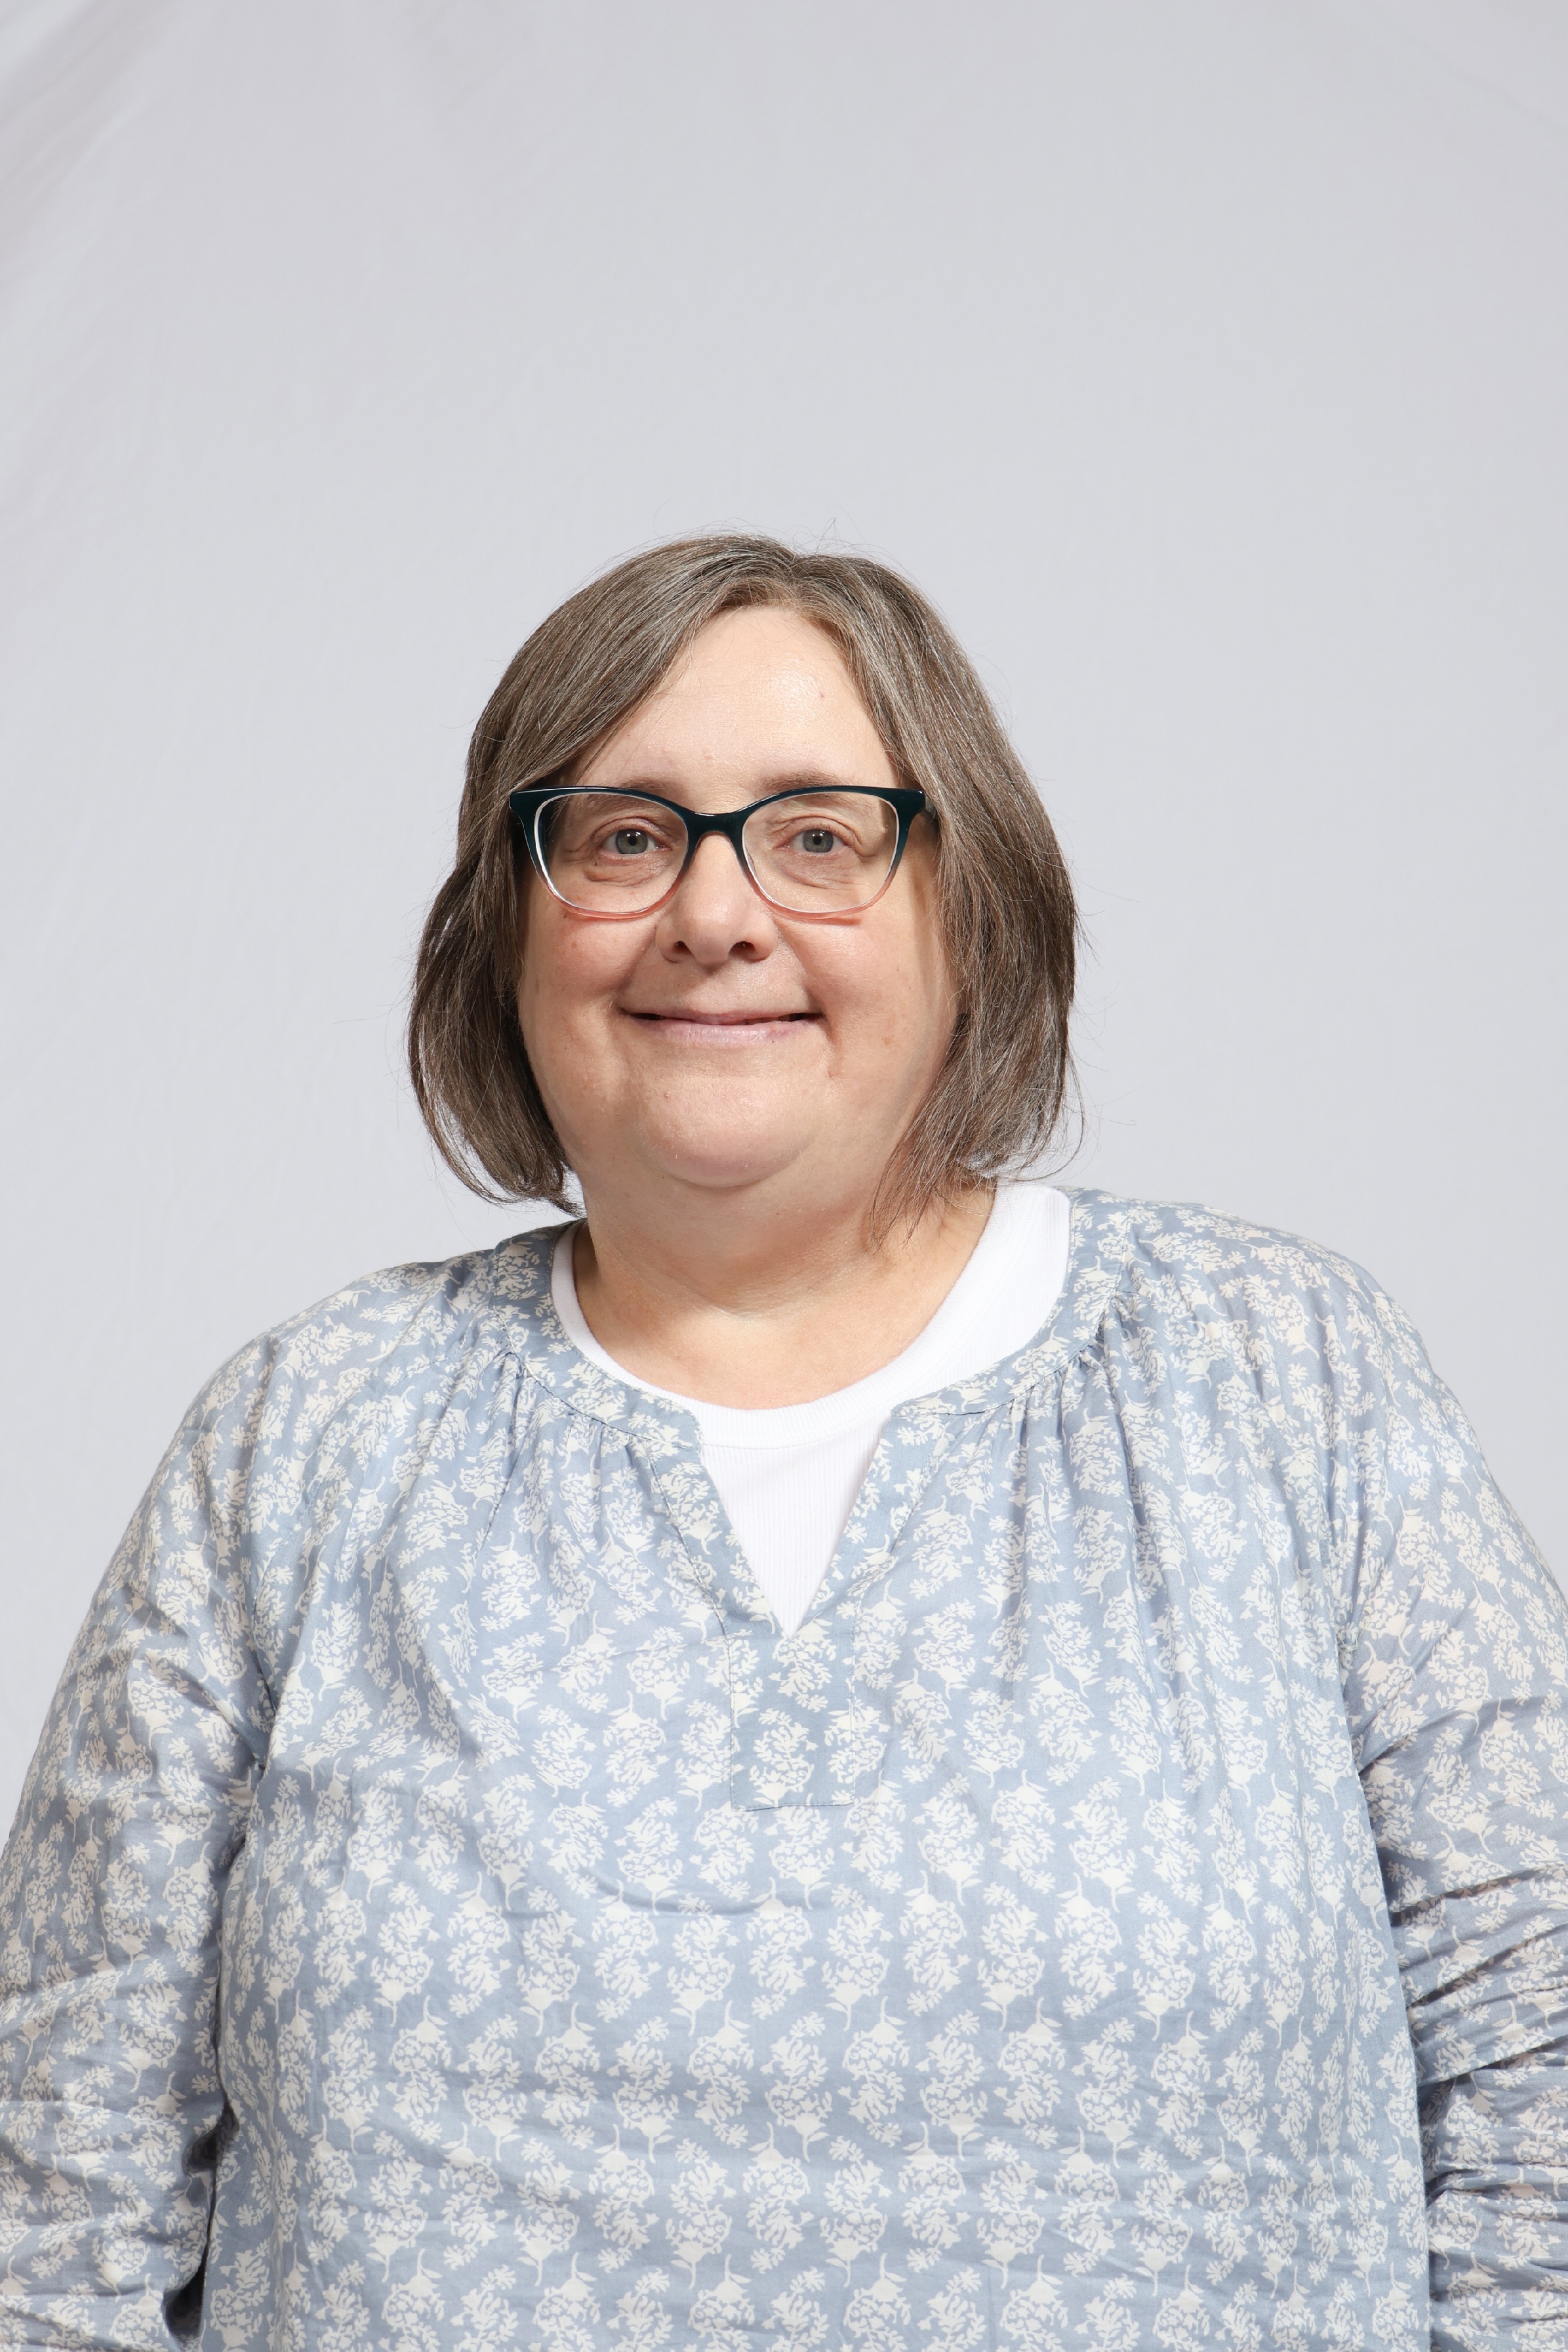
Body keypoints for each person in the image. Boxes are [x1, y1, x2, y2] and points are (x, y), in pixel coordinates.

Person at [0, 537, 1562, 2352]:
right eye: (622, 837)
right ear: (505, 930)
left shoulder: (1283, 1376)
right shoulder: (308, 1436)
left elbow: (1540, 2071)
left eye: (820, 835)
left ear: (974, 909)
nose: (716, 913)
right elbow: (50, 2202)